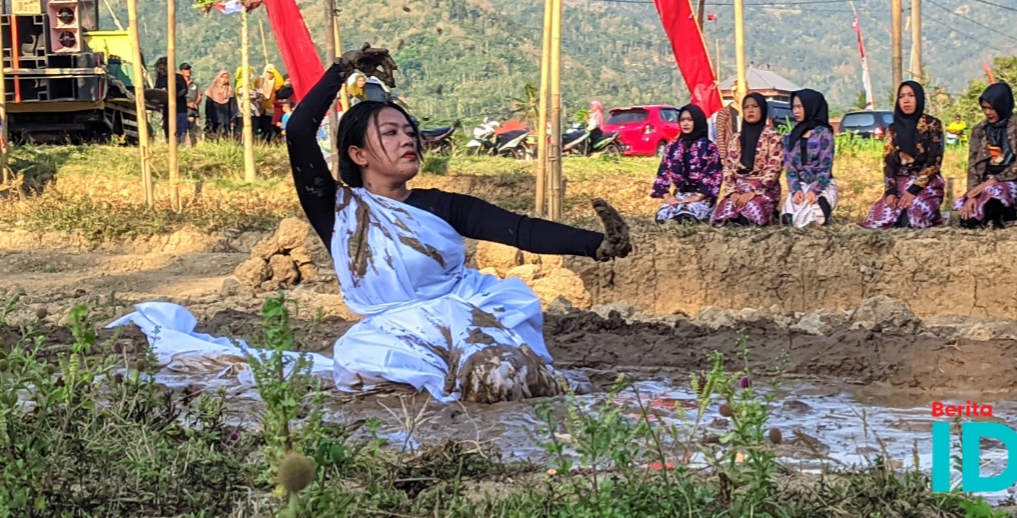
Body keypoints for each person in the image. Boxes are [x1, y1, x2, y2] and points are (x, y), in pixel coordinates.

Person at [114, 45, 633, 404]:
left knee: (492, 377)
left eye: (410, 131)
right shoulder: (338, 210)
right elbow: (297, 132)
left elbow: (517, 229)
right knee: (377, 385)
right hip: (392, 332)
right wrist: (342, 71)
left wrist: (596, 246)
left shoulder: (438, 205)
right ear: (358, 152)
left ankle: (543, 378)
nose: (408, 139)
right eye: (391, 131)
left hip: (466, 316)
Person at [860, 81, 945, 229]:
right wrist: (891, 192)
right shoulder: (893, 129)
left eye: (911, 95)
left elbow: (934, 162)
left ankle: (933, 213)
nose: (906, 100)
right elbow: (889, 163)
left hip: (925, 184)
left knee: (910, 221)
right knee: (881, 221)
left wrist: (913, 191)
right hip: (900, 183)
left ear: (919, 98)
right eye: (901, 96)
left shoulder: (932, 125)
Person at [955, 82, 1017, 229]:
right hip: (986, 183)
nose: (987, 112)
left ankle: (1009, 218)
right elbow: (973, 164)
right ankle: (992, 217)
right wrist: (972, 194)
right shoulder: (980, 130)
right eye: (984, 108)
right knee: (968, 220)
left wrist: (994, 181)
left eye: (991, 108)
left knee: (995, 190)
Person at [710, 92, 784, 226]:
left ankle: (767, 215)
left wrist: (753, 192)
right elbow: (728, 168)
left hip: (764, 189)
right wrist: (732, 192)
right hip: (739, 188)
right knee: (724, 214)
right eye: (746, 107)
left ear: (762, 109)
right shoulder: (736, 138)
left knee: (751, 211)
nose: (750, 110)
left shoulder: (773, 136)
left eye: (755, 106)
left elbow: (775, 168)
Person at [652, 104, 722, 223]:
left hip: (702, 197)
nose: (685, 123)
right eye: (682, 120)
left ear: (697, 121)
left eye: (689, 120)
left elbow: (714, 175)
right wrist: (668, 197)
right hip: (680, 195)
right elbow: (662, 174)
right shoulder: (672, 147)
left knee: (688, 214)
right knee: (663, 215)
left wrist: (698, 196)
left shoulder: (709, 147)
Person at [781, 89, 837, 228]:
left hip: (822, 184)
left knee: (814, 212)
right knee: (788, 217)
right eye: (794, 107)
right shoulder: (790, 136)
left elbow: (825, 167)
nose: (796, 111)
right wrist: (796, 190)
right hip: (800, 185)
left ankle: (823, 209)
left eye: (800, 107)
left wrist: (815, 190)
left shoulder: (823, 134)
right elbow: (790, 168)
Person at [154, 57, 189, 145]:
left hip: (180, 109)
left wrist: (173, 96)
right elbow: (156, 92)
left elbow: (184, 90)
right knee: (169, 131)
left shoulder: (178, 77)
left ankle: (181, 146)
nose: (162, 70)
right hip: (167, 110)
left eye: (164, 68)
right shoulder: (160, 80)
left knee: (181, 131)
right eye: (160, 68)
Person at [203, 70, 237, 138]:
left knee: (225, 137)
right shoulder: (211, 90)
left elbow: (232, 107)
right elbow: (208, 106)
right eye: (222, 77)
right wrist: (209, 118)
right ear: (218, 78)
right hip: (214, 119)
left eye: (226, 77)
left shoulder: (230, 91)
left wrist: (233, 119)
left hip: (226, 120)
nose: (224, 79)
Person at [180, 62, 201, 145]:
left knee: (195, 133)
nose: (188, 71)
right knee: (183, 133)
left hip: (194, 113)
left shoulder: (195, 84)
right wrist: (187, 104)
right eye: (185, 69)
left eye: (188, 69)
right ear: (181, 71)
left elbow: (199, 96)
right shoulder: (179, 84)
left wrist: (195, 103)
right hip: (183, 112)